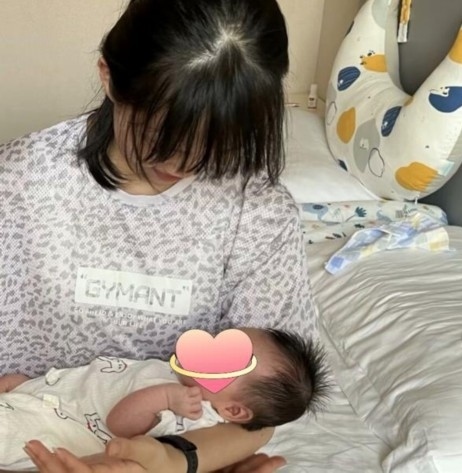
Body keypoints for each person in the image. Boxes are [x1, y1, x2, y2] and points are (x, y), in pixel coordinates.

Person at [0, 0, 318, 471]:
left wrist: (174, 460)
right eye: (162, 136)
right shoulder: (18, 183)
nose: (184, 163)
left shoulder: (259, 215)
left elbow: (261, 412)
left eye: (218, 146)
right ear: (109, 77)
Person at [0, 329, 329, 471]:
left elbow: (120, 424)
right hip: (51, 403)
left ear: (232, 409)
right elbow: (101, 385)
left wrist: (166, 398)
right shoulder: (175, 376)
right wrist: (34, 387)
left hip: (53, 431)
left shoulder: (191, 415)